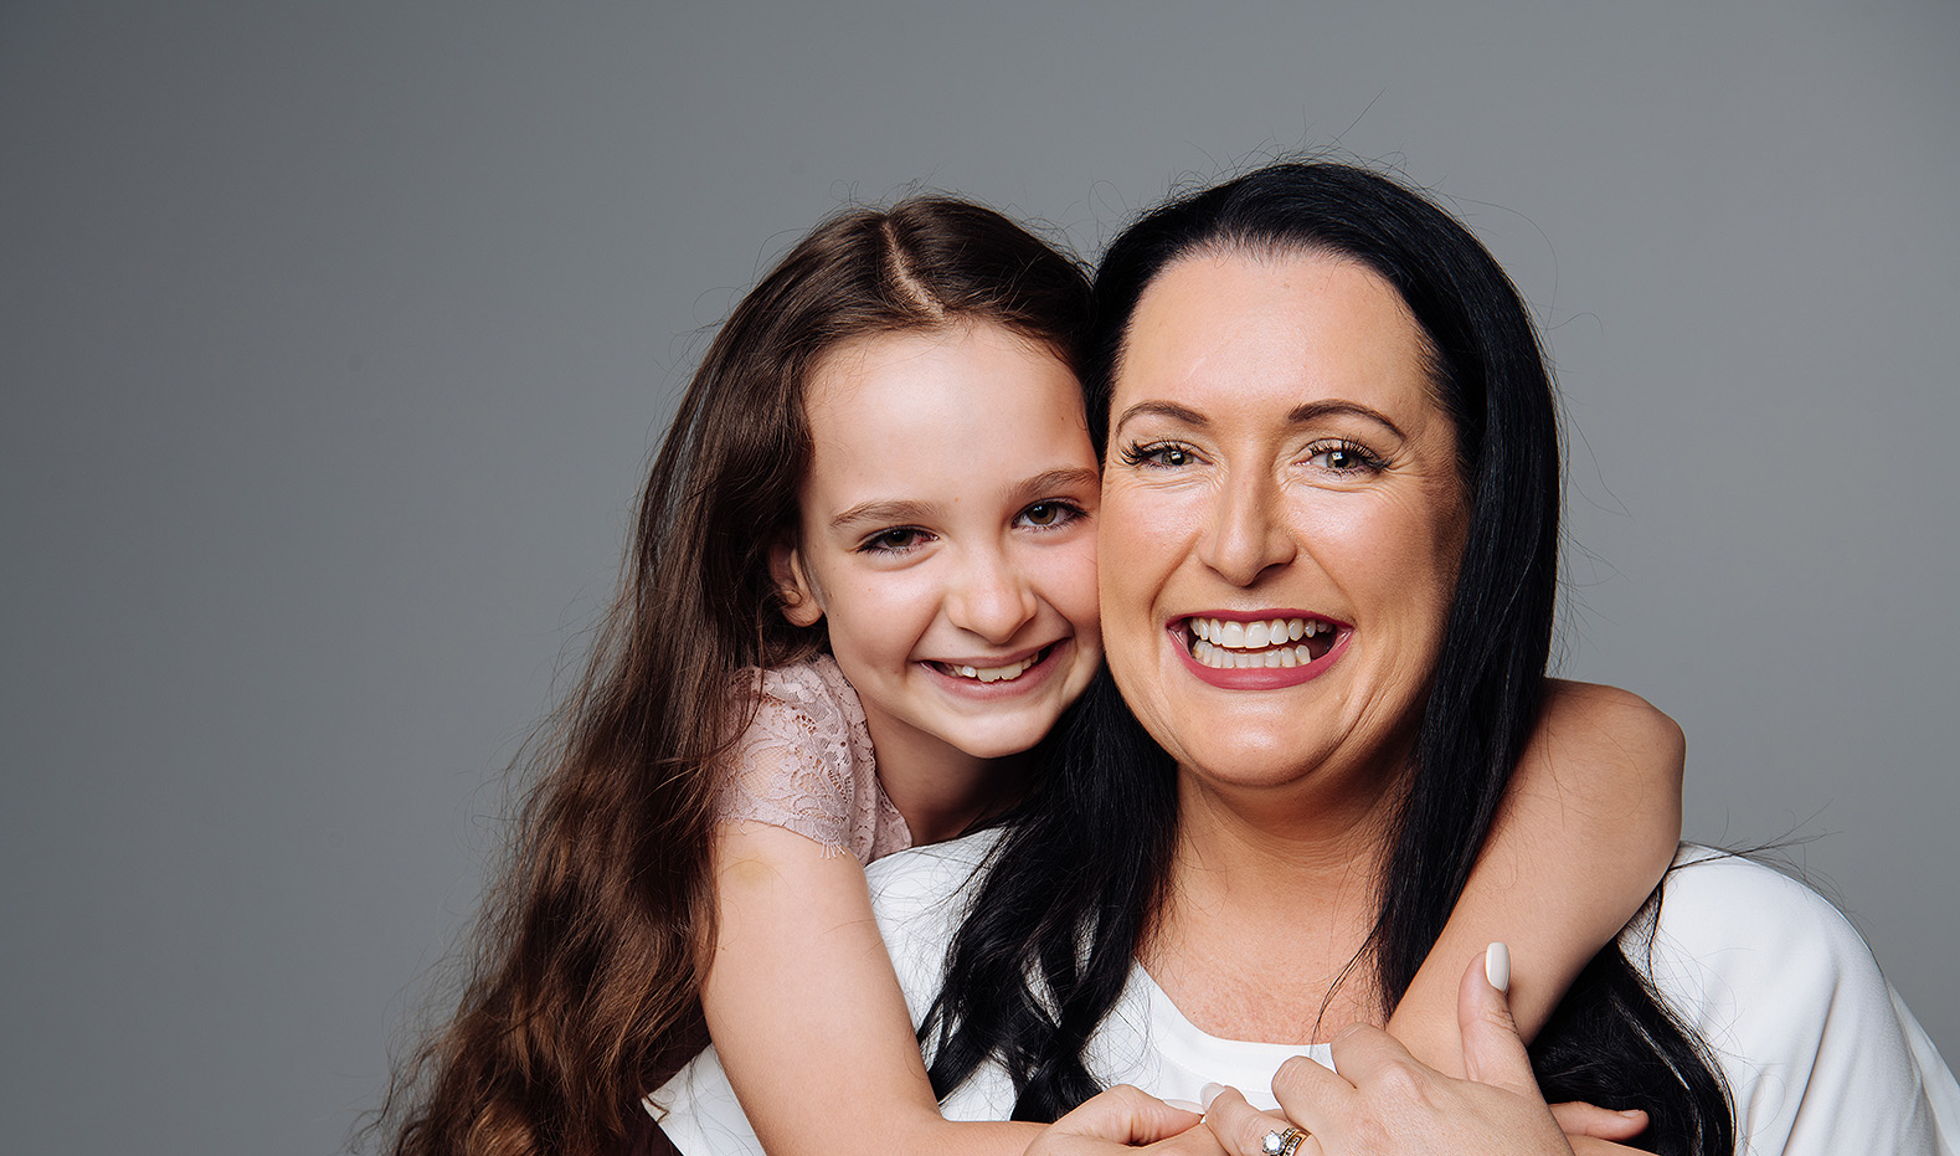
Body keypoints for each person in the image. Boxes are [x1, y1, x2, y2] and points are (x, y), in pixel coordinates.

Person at [653, 162, 1960, 1155]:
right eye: (1168, 451)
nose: (1241, 546)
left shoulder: (1751, 980)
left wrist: (1428, 1078)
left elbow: (1610, 743)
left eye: (1340, 454)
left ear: (1481, 512)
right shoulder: (875, 976)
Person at [380, 195, 1685, 1156]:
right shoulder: (773, 744)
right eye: (896, 539)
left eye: (1050, 512)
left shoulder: (1165, 685)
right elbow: (869, 1148)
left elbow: (1618, 745)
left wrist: (1431, 1085)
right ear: (791, 576)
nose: (996, 605)